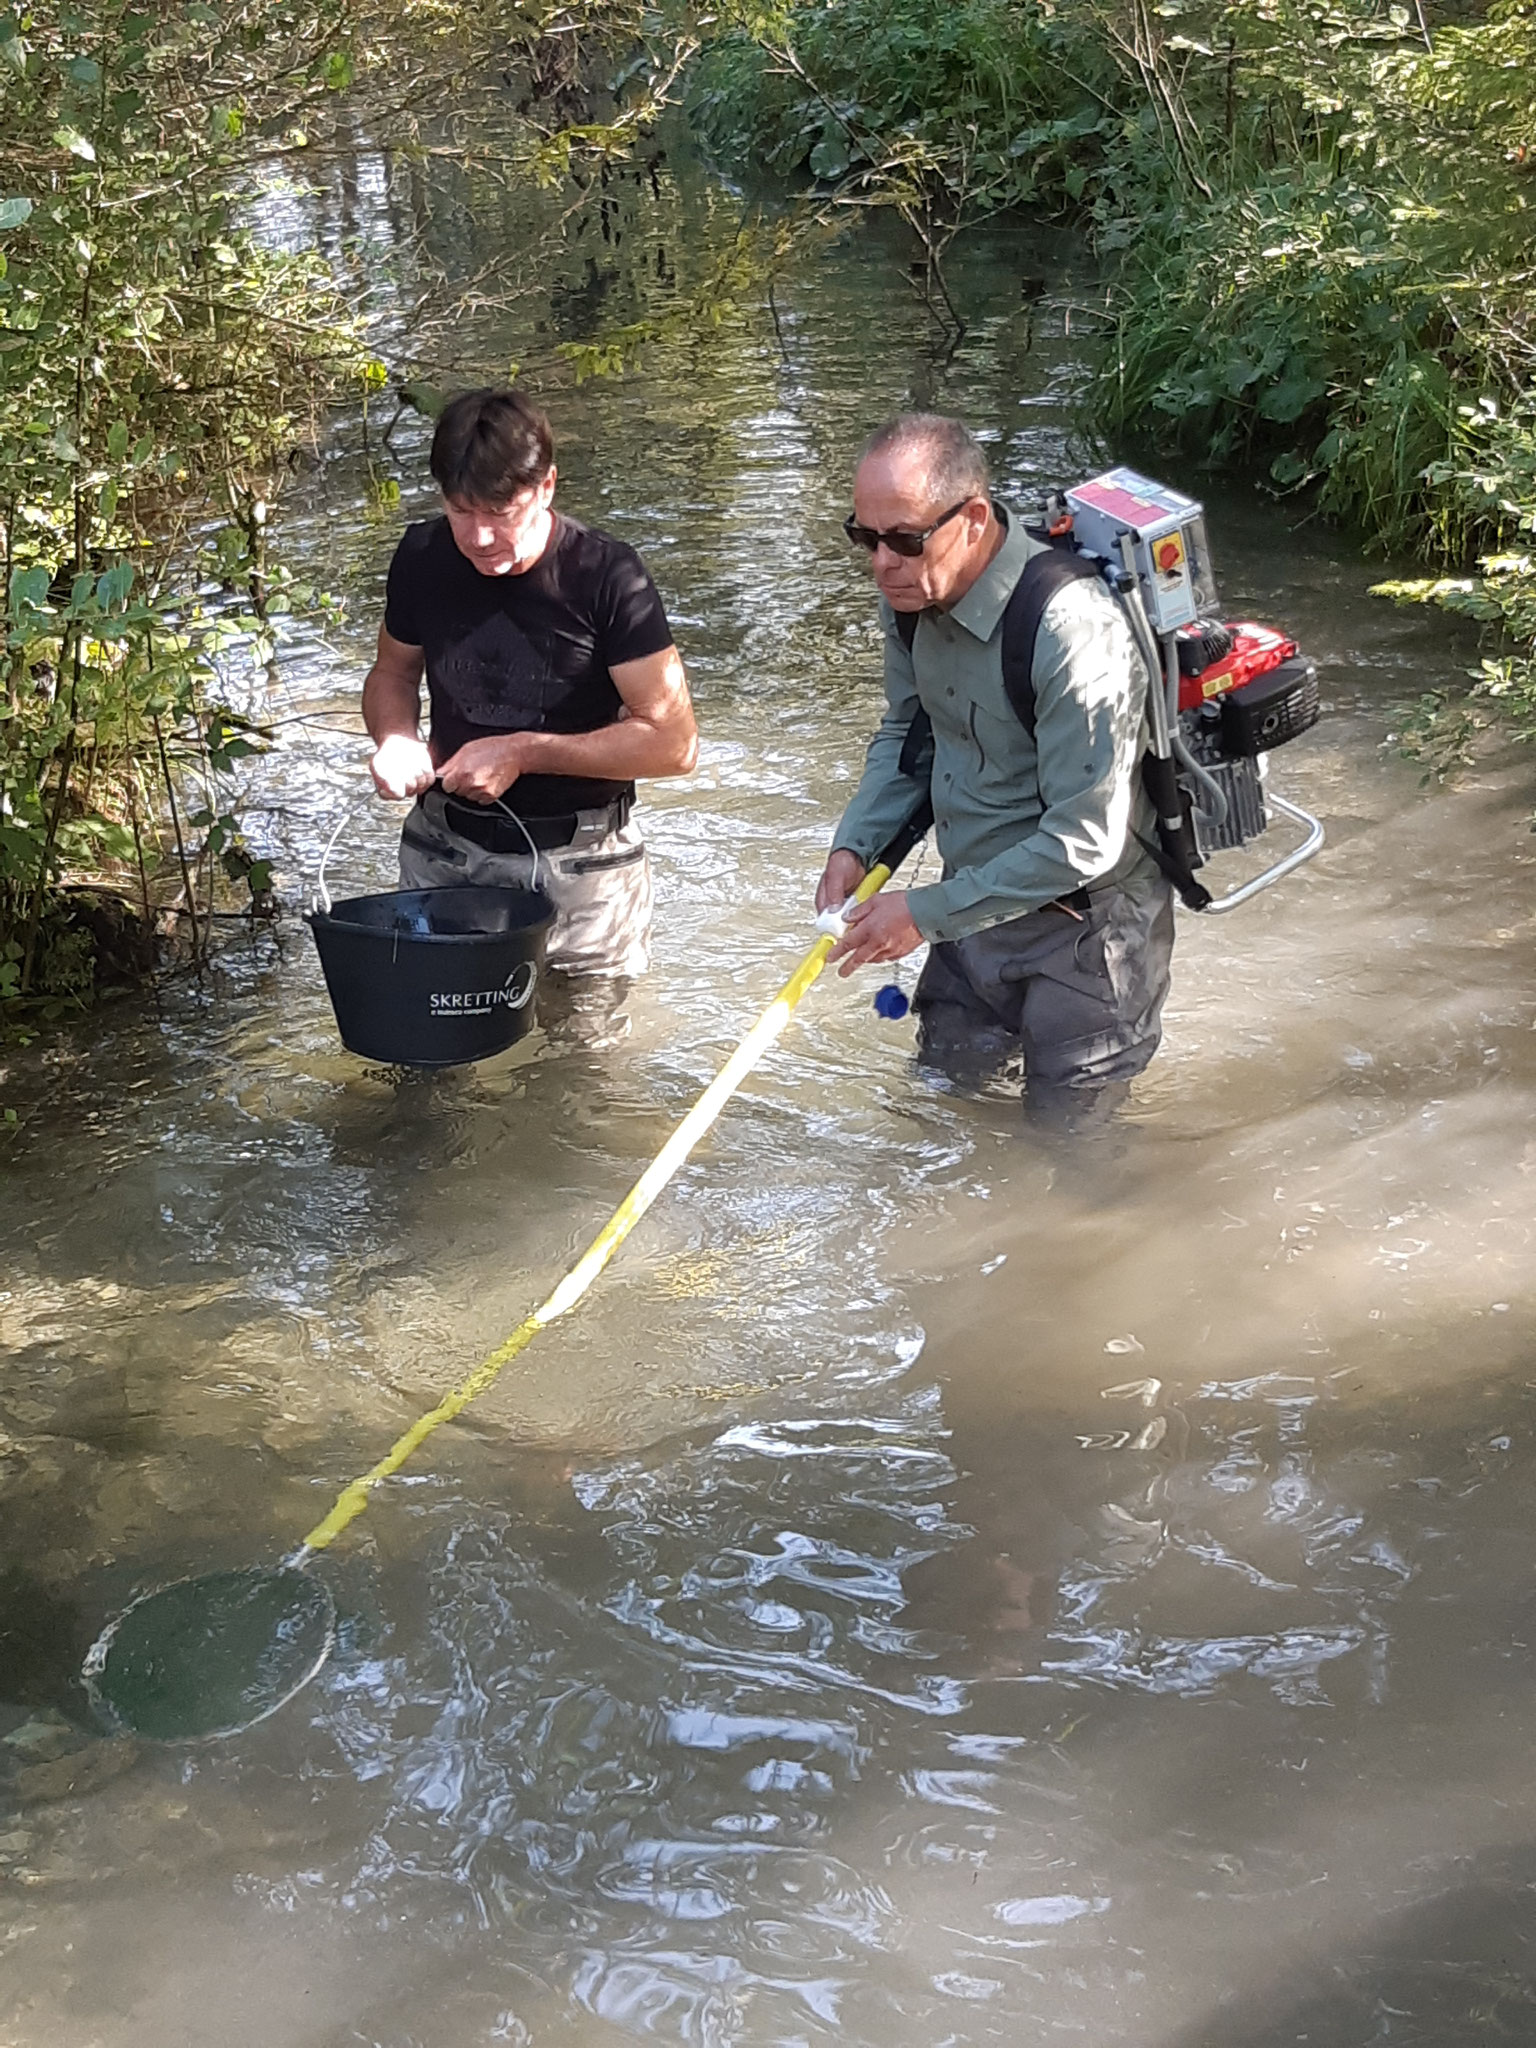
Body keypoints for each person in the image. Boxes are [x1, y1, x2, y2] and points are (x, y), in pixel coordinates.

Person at [817, 413, 1174, 1125]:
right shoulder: (909, 599)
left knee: (1075, 1154)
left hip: (1090, 932)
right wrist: (855, 842)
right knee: (939, 1110)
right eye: (864, 537)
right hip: (970, 911)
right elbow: (908, 735)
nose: (880, 563)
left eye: (903, 540)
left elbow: (1085, 841)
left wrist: (920, 914)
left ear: (973, 519)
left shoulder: (1073, 633)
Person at [363, 386, 698, 980]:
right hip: (444, 850)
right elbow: (392, 672)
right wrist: (395, 737)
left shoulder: (607, 576)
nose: (479, 537)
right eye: (461, 511)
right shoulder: (421, 556)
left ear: (545, 488)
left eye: (500, 512)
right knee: (428, 1055)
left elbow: (674, 746)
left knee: (583, 1064)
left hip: (584, 870)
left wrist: (522, 752)